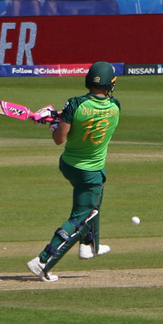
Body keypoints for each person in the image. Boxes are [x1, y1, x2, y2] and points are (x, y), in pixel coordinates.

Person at [26, 62, 121, 282]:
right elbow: (86, 118)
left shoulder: (74, 104)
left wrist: (51, 120)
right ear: (109, 85)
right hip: (90, 170)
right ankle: (42, 260)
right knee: (83, 215)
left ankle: (88, 246)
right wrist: (56, 118)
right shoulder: (115, 106)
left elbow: (60, 138)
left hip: (69, 165)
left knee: (94, 203)